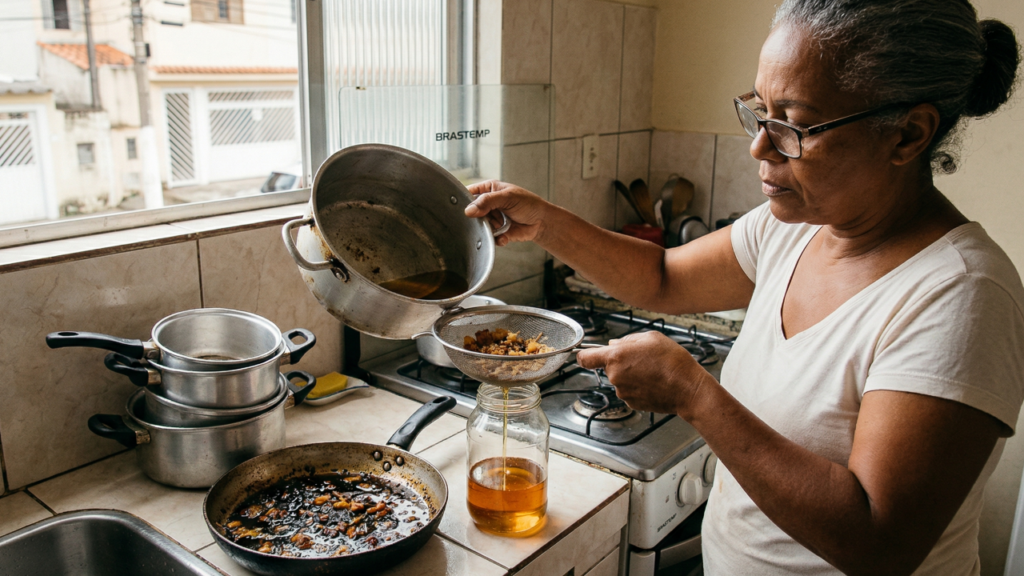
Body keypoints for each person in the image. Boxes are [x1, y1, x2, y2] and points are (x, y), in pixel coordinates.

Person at [463, 1, 1024, 574]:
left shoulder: (962, 295)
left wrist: (694, 394)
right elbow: (662, 277)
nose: (759, 145)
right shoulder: (798, 227)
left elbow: (878, 543)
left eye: (793, 125)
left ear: (907, 134)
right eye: (760, 111)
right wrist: (547, 224)